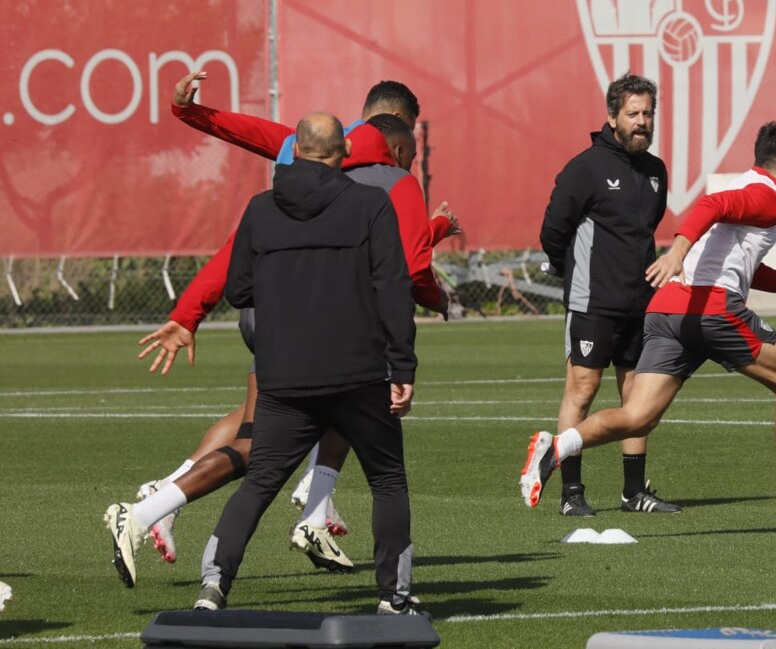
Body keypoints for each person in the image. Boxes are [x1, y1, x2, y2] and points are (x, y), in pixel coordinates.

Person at [106, 75, 456, 583]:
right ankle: (151, 510)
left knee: (267, 418)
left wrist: (189, 313)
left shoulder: (300, 151)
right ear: (400, 136)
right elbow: (408, 266)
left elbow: (244, 183)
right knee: (282, 440)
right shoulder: (391, 181)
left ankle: (299, 510)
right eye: (411, 152)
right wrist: (437, 274)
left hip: (274, 318)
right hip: (329, 325)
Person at [522, 121, 776, 526]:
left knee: (638, 416)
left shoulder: (752, 186)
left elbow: (743, 265)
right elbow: (712, 207)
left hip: (670, 310)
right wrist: (677, 251)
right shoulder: (770, 199)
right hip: (711, 310)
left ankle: (555, 449)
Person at [193, 112, 421, 614]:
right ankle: (394, 599)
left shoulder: (260, 209)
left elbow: (238, 290)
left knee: (260, 483)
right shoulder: (370, 203)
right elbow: (392, 288)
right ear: (343, 153)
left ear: (294, 150)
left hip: (284, 376)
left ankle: (213, 584)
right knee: (386, 479)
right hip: (359, 372)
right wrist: (402, 368)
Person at [539, 73, 678, 516]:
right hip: (592, 302)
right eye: (633, 114)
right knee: (582, 389)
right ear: (612, 116)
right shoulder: (585, 168)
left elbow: (647, 230)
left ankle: (634, 491)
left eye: (648, 113)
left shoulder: (656, 171)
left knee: (637, 398)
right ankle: (571, 493)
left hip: (643, 303)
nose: (643, 122)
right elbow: (553, 232)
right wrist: (575, 273)